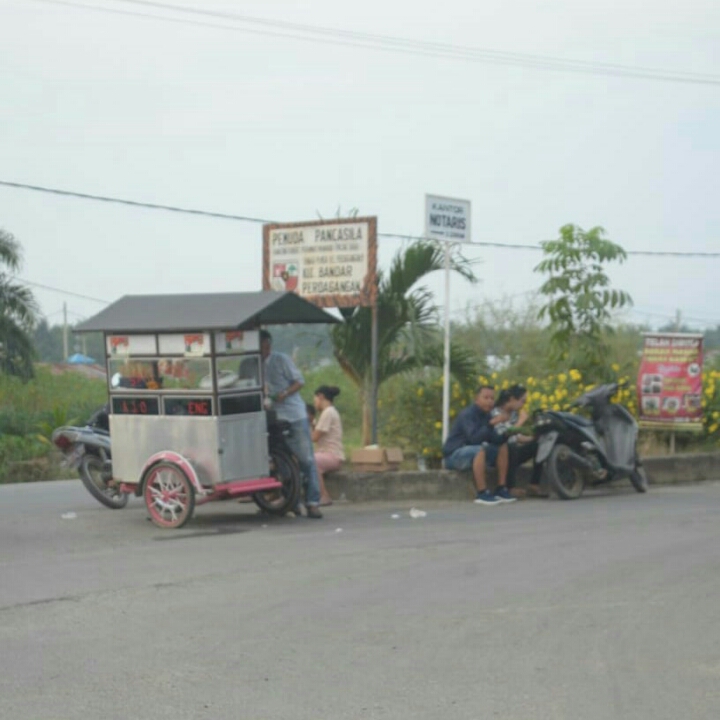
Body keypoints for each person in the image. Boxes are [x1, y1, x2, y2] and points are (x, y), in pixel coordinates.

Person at [260, 329, 323, 519]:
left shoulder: (281, 360)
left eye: (261, 346)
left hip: (294, 415)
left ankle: (312, 502)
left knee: (306, 459)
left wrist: (284, 394)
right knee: (281, 461)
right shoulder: (253, 364)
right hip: (272, 416)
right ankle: (292, 503)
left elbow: (299, 381)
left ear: (267, 345)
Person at [442, 385, 515, 505]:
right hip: (454, 455)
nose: (490, 401)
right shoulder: (467, 415)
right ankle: (482, 493)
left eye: (492, 398)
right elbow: (474, 439)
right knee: (479, 450)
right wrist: (491, 424)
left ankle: (501, 488)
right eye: (486, 398)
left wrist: (507, 432)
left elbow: (493, 439)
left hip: (474, 453)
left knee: (502, 446)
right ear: (477, 399)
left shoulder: (487, 415)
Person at [502, 384, 545, 496]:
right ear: (512, 399)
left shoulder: (514, 414)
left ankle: (534, 484)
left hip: (513, 451)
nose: (523, 405)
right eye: (522, 401)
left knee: (538, 445)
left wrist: (533, 439)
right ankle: (510, 487)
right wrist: (521, 421)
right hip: (502, 452)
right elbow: (505, 434)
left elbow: (518, 437)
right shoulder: (498, 412)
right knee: (512, 447)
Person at [311, 385, 345, 507]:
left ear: (321, 397)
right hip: (326, 454)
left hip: (332, 456)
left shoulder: (328, 412)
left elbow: (314, 437)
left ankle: (324, 495)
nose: (314, 403)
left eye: (315, 400)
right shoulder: (327, 413)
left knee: (311, 460)